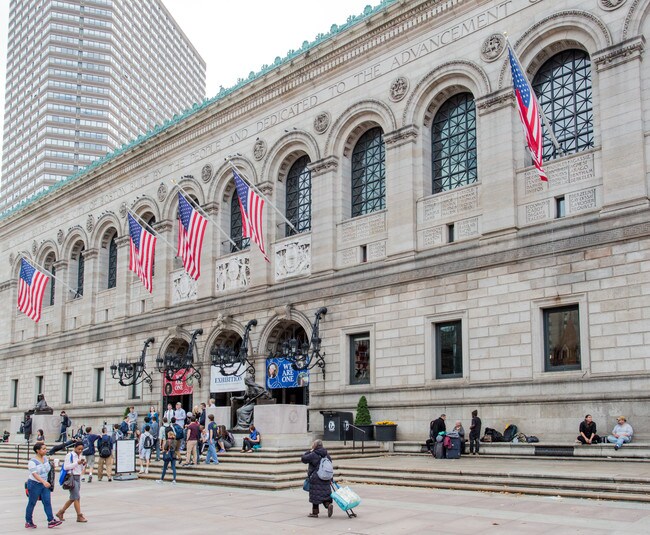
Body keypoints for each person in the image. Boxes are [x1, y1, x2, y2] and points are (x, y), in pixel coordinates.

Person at [25, 442, 63, 529]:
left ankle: (51, 520)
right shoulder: (32, 462)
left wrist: (53, 466)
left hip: (45, 484)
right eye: (43, 449)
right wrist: (43, 482)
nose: (45, 450)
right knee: (32, 502)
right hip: (34, 484)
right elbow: (34, 474)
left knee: (47, 502)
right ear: (37, 451)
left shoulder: (45, 459)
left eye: (46, 448)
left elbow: (48, 470)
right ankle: (28, 521)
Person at [301, 439, 334, 518]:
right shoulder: (326, 454)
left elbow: (303, 459)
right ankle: (328, 505)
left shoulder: (313, 454)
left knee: (315, 495)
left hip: (316, 477)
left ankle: (315, 513)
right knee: (324, 494)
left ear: (315, 445)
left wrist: (309, 451)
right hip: (325, 477)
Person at [56, 441, 88, 523]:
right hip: (71, 477)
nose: (80, 451)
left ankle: (61, 512)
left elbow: (80, 468)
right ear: (75, 448)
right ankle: (79, 515)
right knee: (76, 497)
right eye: (79, 449)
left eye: (81, 449)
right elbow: (66, 467)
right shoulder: (69, 455)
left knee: (74, 497)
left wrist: (83, 464)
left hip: (77, 476)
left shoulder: (81, 455)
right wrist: (77, 463)